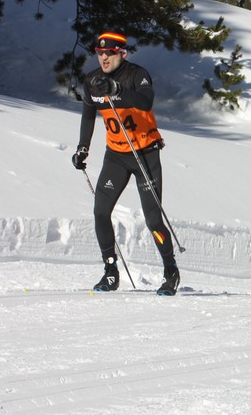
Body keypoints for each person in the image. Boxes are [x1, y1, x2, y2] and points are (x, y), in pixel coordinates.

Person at [71, 31, 180, 296]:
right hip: (117, 155)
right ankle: (110, 272)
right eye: (99, 52)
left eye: (109, 53)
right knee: (100, 212)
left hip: (145, 153)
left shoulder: (137, 74)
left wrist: (118, 90)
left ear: (122, 53)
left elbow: (146, 101)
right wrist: (82, 147)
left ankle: (170, 270)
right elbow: (88, 116)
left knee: (153, 220)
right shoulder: (92, 80)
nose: (104, 57)